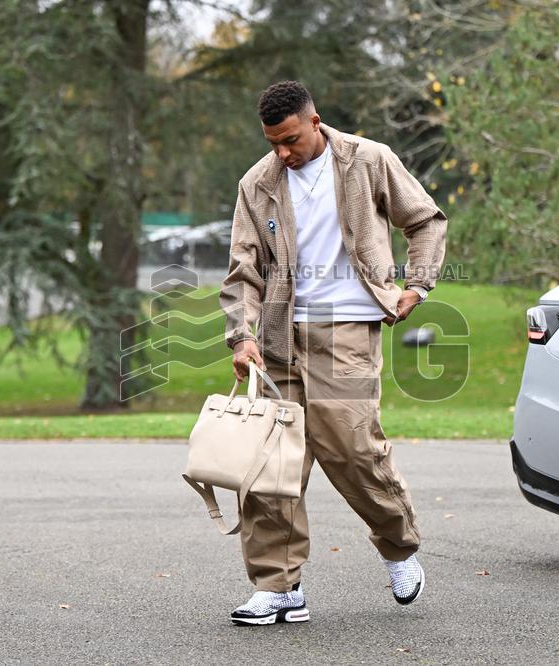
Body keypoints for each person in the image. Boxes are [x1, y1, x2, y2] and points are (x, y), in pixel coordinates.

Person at [218, 80, 447, 626]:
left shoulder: (368, 160)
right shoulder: (258, 183)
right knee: (269, 468)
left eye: (290, 139)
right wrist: (241, 334)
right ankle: (279, 587)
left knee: (353, 452)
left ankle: (399, 546)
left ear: (314, 121)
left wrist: (416, 287)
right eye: (272, 141)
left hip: (347, 331)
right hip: (278, 341)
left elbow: (425, 220)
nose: (282, 152)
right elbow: (243, 269)